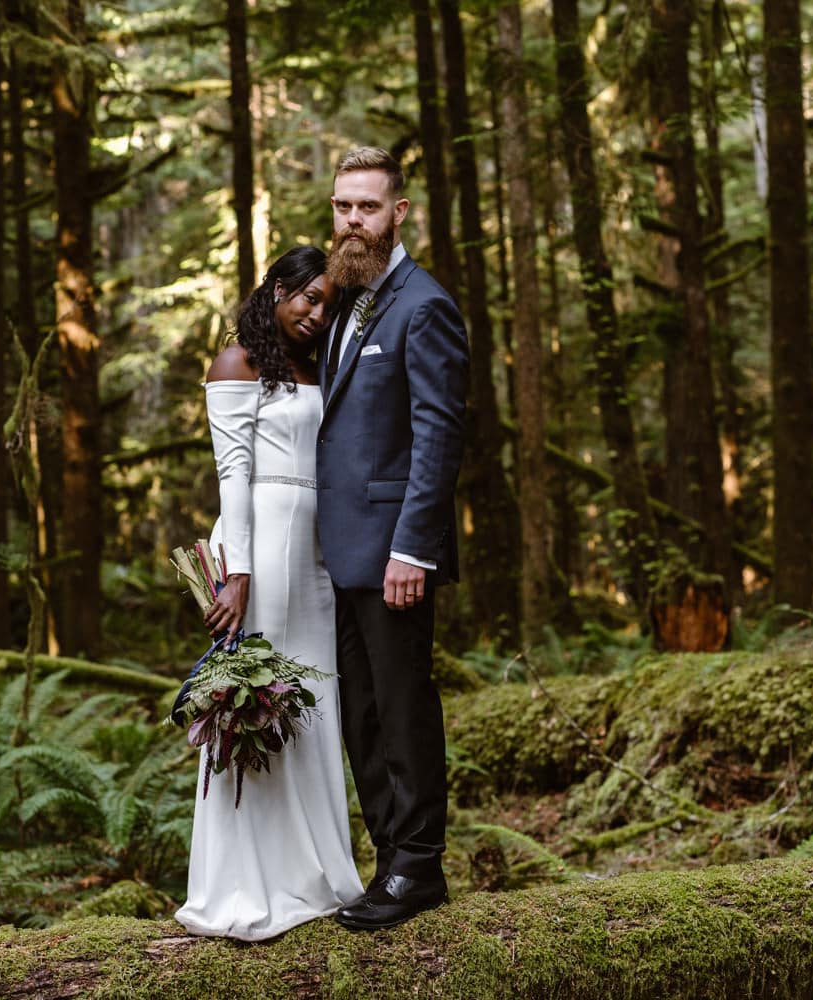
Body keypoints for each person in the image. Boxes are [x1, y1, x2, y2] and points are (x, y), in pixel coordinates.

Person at [174, 245, 364, 941]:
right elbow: (234, 476)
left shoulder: (321, 366)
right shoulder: (238, 364)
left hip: (317, 551)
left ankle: (317, 874)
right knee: (257, 703)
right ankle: (243, 884)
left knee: (313, 702)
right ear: (277, 288)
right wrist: (240, 569)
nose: (316, 314)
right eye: (306, 297)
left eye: (327, 304)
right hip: (260, 545)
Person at [317, 147, 468, 930]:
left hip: (393, 556)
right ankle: (387, 864)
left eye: (367, 207)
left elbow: (437, 436)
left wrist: (414, 548)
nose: (353, 221)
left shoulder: (424, 304)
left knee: (405, 707)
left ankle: (420, 867)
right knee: (360, 714)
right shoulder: (345, 300)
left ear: (399, 212)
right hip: (339, 555)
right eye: (343, 206)